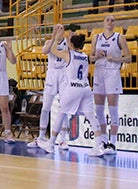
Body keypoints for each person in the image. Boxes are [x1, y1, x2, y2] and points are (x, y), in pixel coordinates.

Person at [36, 29, 104, 157]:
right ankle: (98, 145)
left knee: (61, 114)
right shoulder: (84, 56)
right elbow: (72, 49)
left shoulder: (68, 54)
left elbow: (53, 50)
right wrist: (69, 40)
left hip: (73, 88)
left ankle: (50, 143)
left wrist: (55, 37)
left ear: (71, 45)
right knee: (91, 116)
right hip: (85, 88)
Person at [91, 14, 131, 155]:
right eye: (107, 19)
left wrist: (114, 58)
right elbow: (90, 58)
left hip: (113, 73)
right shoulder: (96, 37)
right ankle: (103, 140)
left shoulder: (119, 37)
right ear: (103, 22)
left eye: (112, 20)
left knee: (113, 109)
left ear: (115, 23)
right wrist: (96, 55)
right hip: (99, 72)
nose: (110, 22)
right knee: (98, 109)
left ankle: (113, 143)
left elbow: (129, 57)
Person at [27, 24, 70, 150]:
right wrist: (53, 38)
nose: (58, 30)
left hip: (63, 73)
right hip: (51, 74)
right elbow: (44, 51)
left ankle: (63, 139)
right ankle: (41, 136)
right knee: (46, 107)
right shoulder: (49, 41)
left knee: (64, 107)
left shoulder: (67, 42)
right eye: (56, 28)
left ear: (64, 31)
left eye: (61, 28)